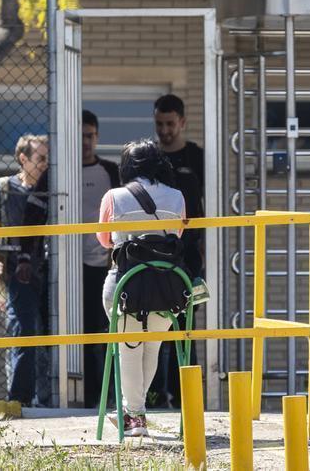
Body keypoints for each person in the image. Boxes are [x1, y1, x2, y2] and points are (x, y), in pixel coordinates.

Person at [97, 139, 187, 437]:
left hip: (126, 286)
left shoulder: (114, 196)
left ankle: (135, 416)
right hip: (166, 285)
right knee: (153, 347)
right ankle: (132, 411)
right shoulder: (177, 196)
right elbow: (178, 234)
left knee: (128, 349)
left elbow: (104, 239)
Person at [0, 133, 52, 407]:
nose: (46, 164)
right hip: (17, 273)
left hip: (47, 269)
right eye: (41, 159)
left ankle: (45, 397)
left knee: (47, 335)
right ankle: (19, 399)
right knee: (22, 333)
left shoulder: (51, 187)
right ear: (23, 159)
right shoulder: (5, 187)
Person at [151, 94, 206, 406]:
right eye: (159, 124)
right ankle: (156, 394)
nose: (165, 130)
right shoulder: (151, 158)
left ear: (182, 122)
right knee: (155, 324)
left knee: (186, 325)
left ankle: (185, 395)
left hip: (188, 255)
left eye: (170, 124)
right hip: (157, 251)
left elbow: (207, 204)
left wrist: (203, 248)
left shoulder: (196, 157)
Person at [81, 110, 121, 408]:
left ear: (97, 137)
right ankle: (85, 395)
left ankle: (109, 396)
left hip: (104, 266)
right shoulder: (61, 170)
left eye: (90, 135)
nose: (86, 142)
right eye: (80, 135)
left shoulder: (110, 171)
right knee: (78, 336)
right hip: (70, 269)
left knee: (106, 333)